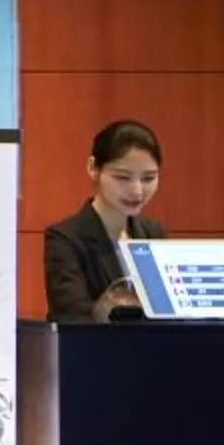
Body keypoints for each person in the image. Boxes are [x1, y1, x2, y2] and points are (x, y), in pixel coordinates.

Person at [45, 118, 168, 321]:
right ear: (93, 168)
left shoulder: (153, 233)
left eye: (148, 178)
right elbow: (70, 315)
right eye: (122, 177)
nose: (137, 191)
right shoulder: (65, 238)